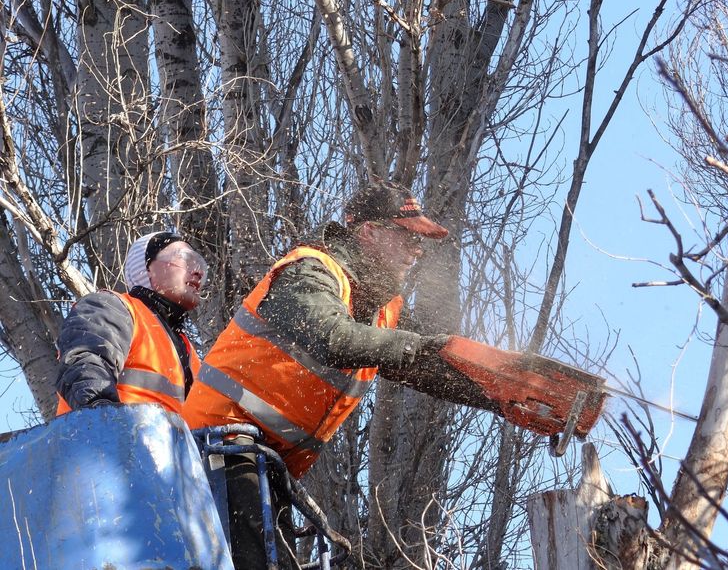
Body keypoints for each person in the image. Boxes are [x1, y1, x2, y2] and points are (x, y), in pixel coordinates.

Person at [183, 181, 497, 569]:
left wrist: (504, 394)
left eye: (421, 242)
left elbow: (431, 364)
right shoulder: (308, 270)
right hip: (217, 449)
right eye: (407, 237)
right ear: (369, 231)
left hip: (262, 464)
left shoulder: (382, 309)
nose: (417, 251)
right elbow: (332, 336)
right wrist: (418, 344)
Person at [56, 231, 207, 415]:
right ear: (147, 269)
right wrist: (104, 418)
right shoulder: (112, 307)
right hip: (107, 439)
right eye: (185, 258)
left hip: (164, 443)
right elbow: (85, 365)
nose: (198, 272)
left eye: (199, 264)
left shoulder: (189, 353)